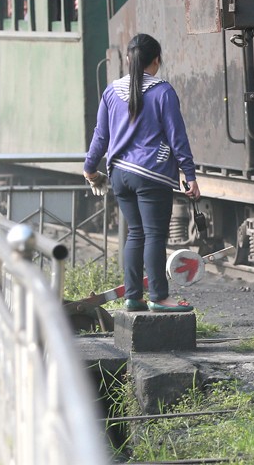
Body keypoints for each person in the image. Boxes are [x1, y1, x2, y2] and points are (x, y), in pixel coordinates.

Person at [83, 33, 200, 313]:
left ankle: (133, 297)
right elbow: (176, 137)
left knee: (135, 234)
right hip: (151, 173)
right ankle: (159, 297)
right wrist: (190, 175)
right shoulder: (162, 91)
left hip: (120, 174)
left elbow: (101, 137)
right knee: (154, 235)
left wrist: (90, 171)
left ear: (127, 59)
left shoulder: (111, 92)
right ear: (156, 60)